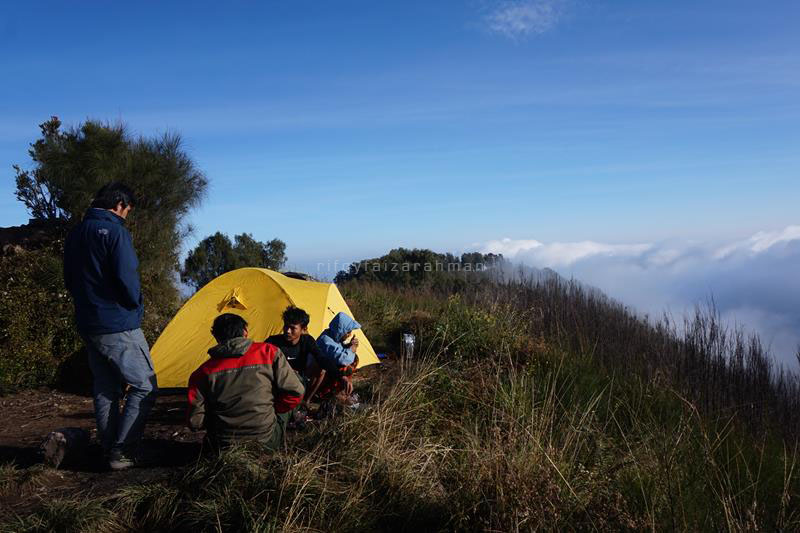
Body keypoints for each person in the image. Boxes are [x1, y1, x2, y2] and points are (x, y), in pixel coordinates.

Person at [63, 182, 157, 471]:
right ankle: (123, 451)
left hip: (88, 321)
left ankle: (108, 447)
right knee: (145, 385)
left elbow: (69, 279)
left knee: (106, 387)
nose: (127, 215)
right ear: (119, 204)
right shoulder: (116, 232)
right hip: (117, 322)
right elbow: (127, 278)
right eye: (128, 210)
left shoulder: (76, 233)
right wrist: (135, 303)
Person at [187, 313, 305, 451]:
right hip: (266, 441)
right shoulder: (268, 352)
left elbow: (195, 422)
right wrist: (273, 410)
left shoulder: (202, 373)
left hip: (223, 446)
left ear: (216, 337)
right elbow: (296, 392)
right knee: (298, 381)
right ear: (245, 332)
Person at [310, 312, 362, 406]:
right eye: (348, 332)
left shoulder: (332, 336)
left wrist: (349, 346)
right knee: (346, 367)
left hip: (328, 371)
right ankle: (337, 393)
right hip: (317, 374)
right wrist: (352, 349)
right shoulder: (326, 340)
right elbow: (343, 359)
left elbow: (338, 351)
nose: (349, 335)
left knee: (354, 359)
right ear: (340, 331)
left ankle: (342, 391)